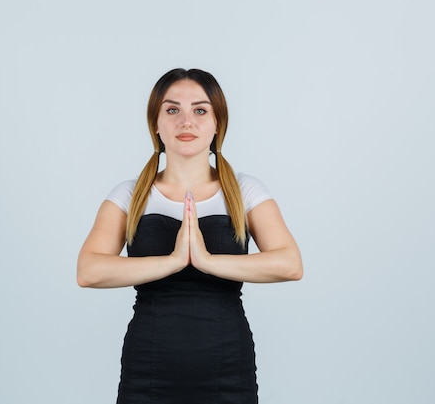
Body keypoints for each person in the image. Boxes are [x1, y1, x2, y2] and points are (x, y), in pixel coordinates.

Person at [77, 68, 302, 403]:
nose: (186, 122)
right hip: (148, 368)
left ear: (217, 123)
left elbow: (290, 264)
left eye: (200, 110)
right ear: (155, 123)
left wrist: (206, 261)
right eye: (172, 110)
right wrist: (173, 261)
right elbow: (88, 271)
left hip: (228, 364)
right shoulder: (128, 194)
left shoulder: (245, 191)